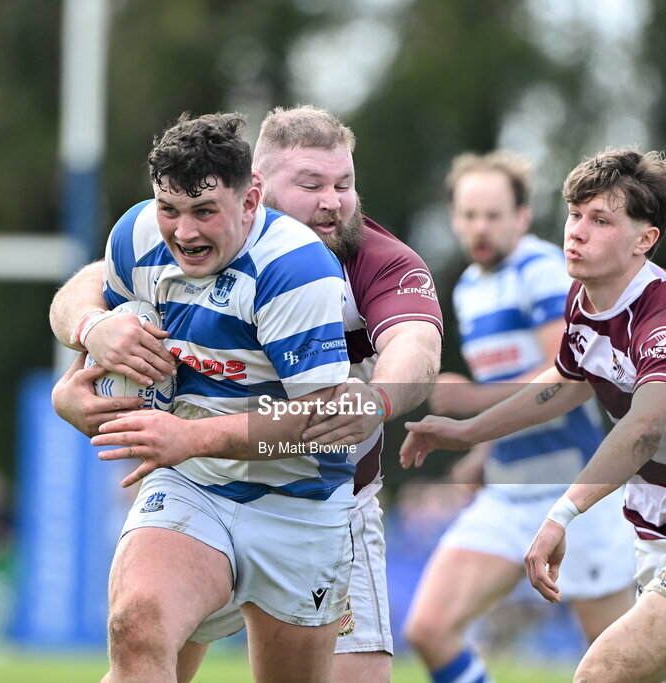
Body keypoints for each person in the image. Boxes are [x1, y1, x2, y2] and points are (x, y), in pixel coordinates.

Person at [52, 105, 444, 683]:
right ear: (258, 188)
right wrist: (87, 342)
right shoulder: (167, 233)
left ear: (246, 200)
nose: (332, 201)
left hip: (315, 496)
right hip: (196, 479)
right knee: (139, 633)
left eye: (344, 184)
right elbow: (92, 284)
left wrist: (375, 401)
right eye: (311, 184)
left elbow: (415, 347)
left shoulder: (362, 264)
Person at [401, 148, 666, 683]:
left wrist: (562, 514)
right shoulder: (586, 300)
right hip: (662, 529)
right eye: (575, 214)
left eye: (601, 220)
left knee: (600, 674)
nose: (577, 232)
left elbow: (643, 429)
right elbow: (565, 382)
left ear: (645, 239)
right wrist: (466, 432)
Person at [403, 151, 635, 683]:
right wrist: (483, 453)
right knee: (429, 629)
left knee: (616, 664)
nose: (480, 227)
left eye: (493, 215)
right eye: (468, 215)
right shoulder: (468, 288)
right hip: (507, 494)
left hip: (575, 496)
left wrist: (472, 404)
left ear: (522, 217)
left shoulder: (541, 270)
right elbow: (516, 391)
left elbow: (563, 374)